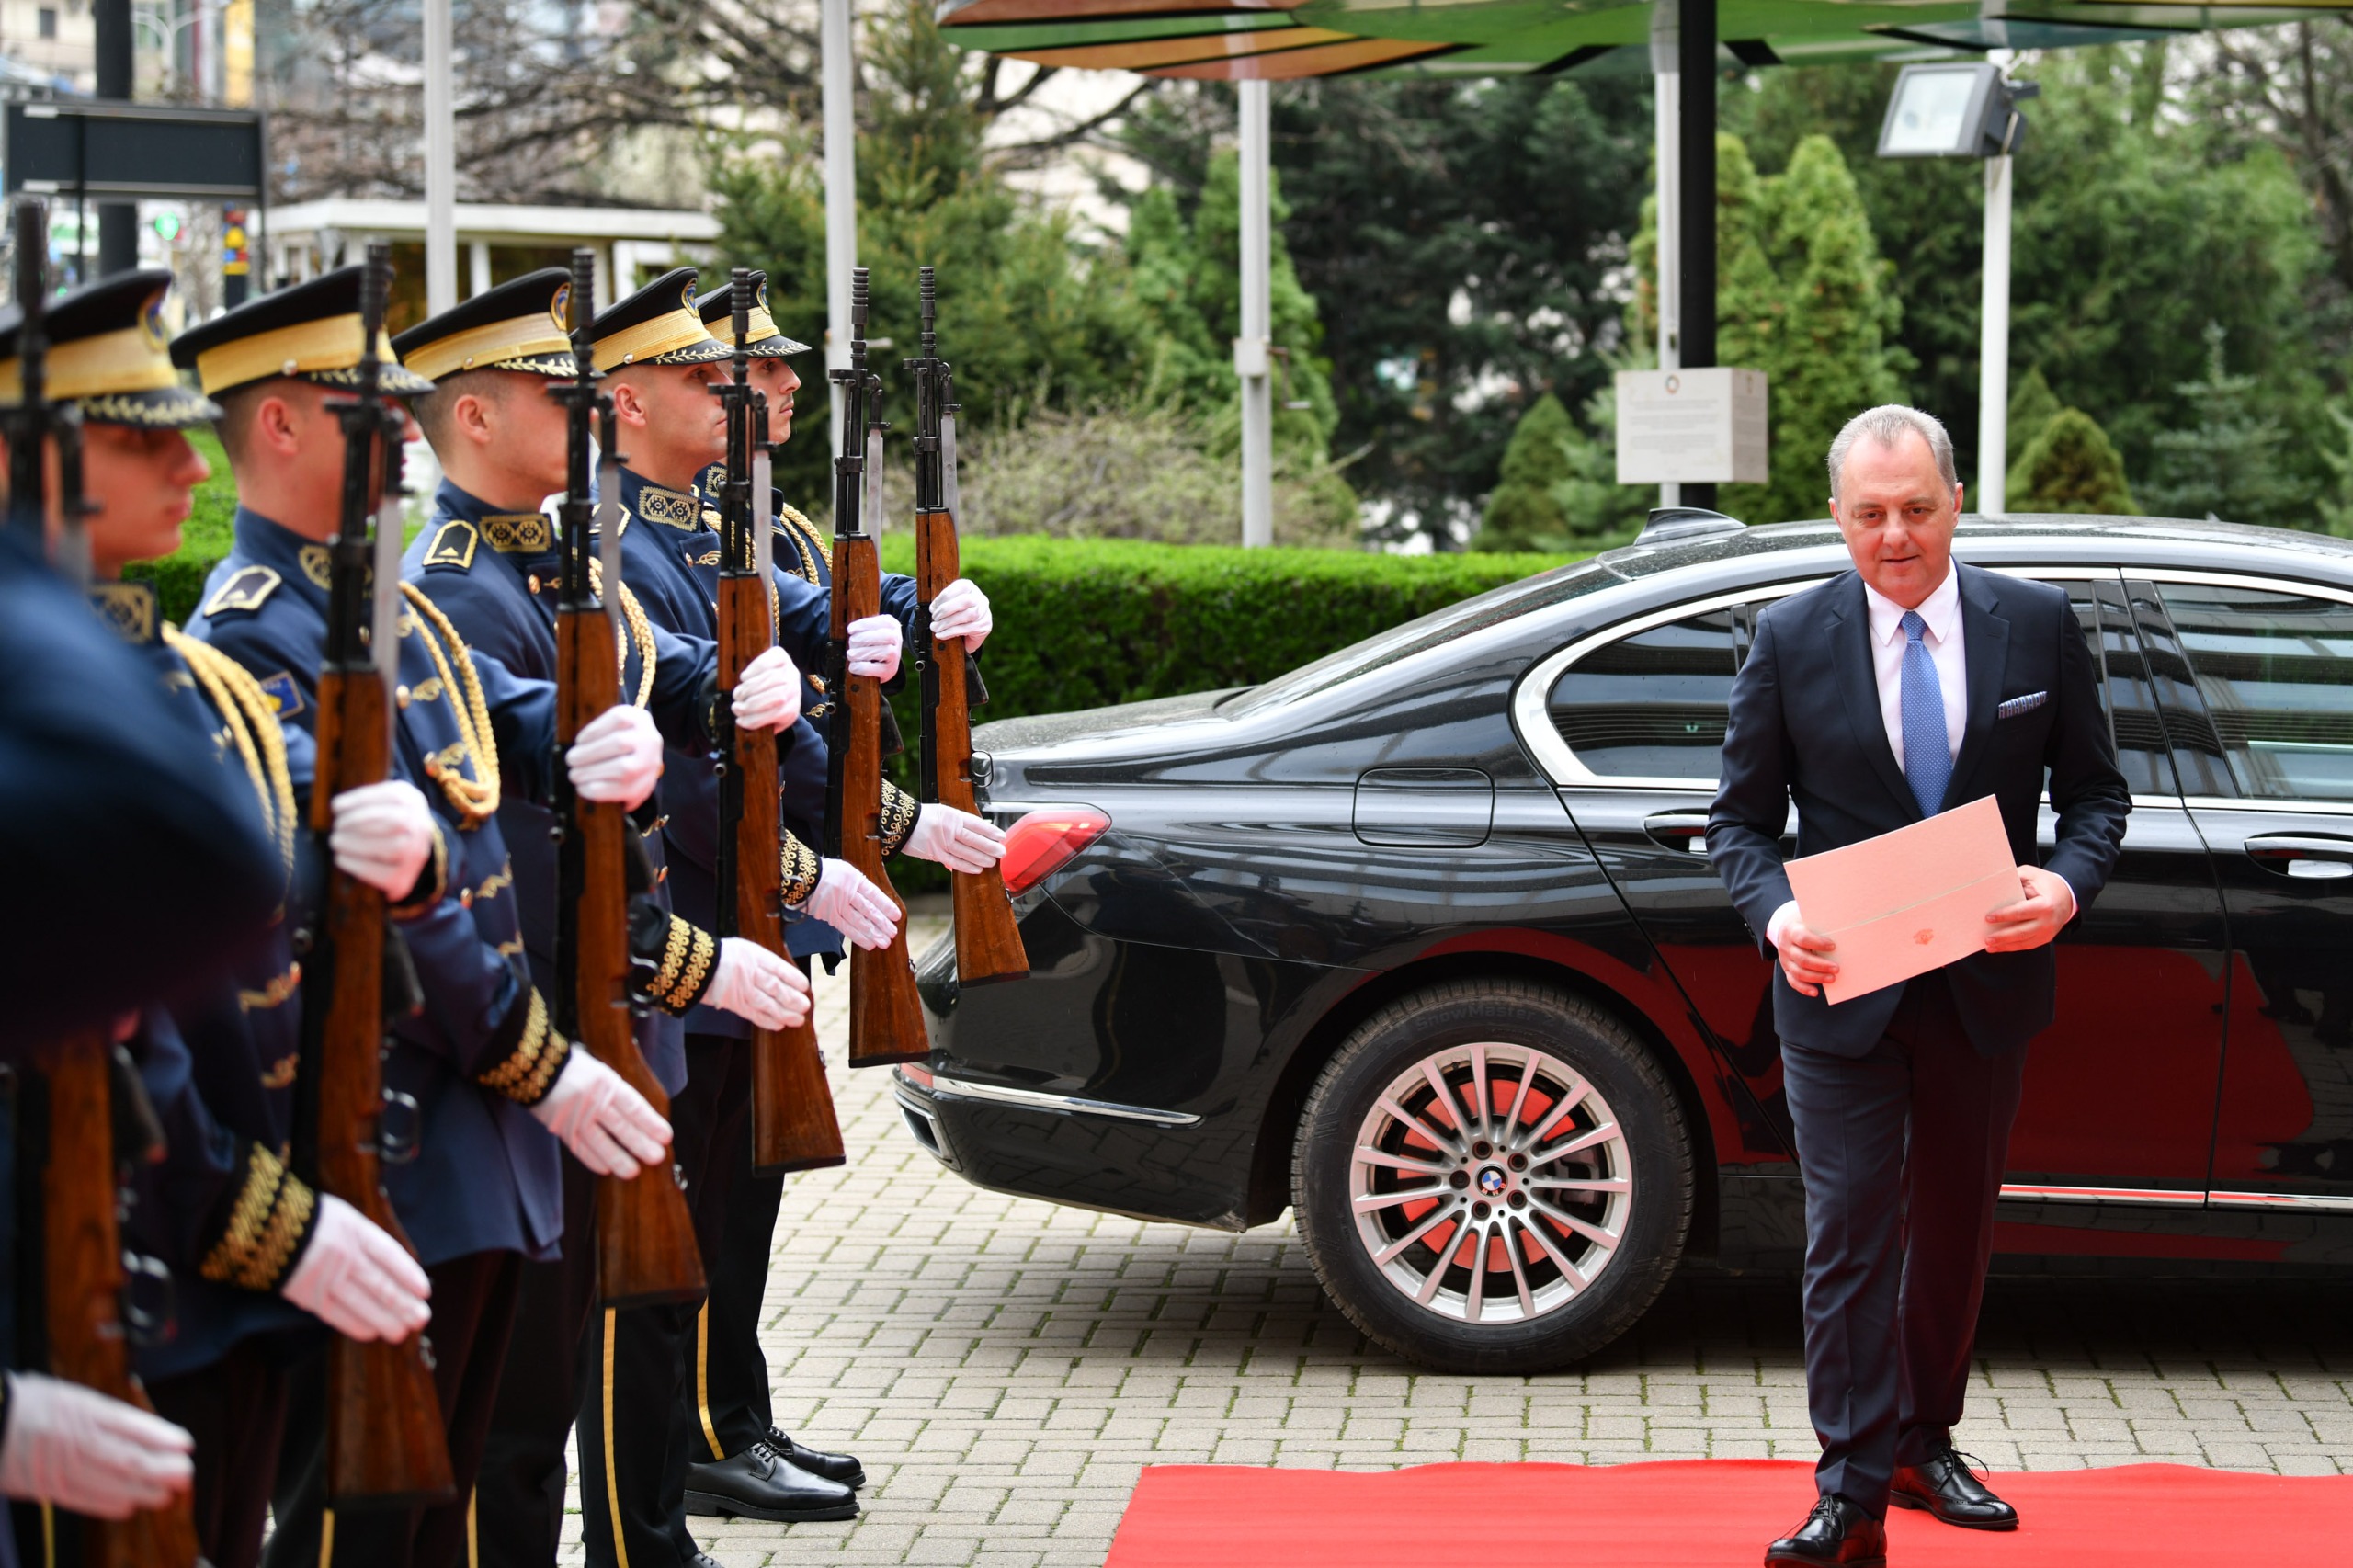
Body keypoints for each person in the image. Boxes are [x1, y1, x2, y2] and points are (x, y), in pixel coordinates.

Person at [169, 266, 684, 1568]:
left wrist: (591, 737)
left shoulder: (386, 611)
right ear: (279, 424)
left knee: (452, 1490)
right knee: (362, 1515)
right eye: (367, 413)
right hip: (393, 1126)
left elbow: (498, 733)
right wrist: (539, 1057)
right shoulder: (247, 642)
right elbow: (369, 902)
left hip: (476, 1136)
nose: (403, 437)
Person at [0, 265, 448, 1568]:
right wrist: (261, 1212)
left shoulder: (178, 669)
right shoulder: (164, 660)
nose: (191, 469)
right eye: (141, 437)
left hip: (211, 1234)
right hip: (111, 1241)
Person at [386, 269, 816, 1568]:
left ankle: (654, 1538)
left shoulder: (560, 556)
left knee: (593, 1333)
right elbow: (526, 860)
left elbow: (666, 679)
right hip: (540, 1040)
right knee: (510, 1416)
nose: (584, 411)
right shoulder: (458, 586)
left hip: (611, 1020)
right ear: (472, 417)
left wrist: (752, 681)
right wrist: (703, 957)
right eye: (554, 392)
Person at [1706, 405, 2130, 1567]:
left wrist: (2065, 887)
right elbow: (1736, 823)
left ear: (1955, 504)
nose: (1894, 535)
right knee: (1849, 1233)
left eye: (1915, 509)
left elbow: (2098, 799)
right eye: (1868, 514)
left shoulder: (2034, 627)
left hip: (1985, 986)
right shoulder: (1789, 637)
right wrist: (1779, 915)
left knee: (1954, 1230)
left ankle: (1921, 1442)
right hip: (1841, 987)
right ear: (1838, 518)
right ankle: (1848, 1490)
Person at [675, 269, 1001, 1526]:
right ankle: (705, 1429)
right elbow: (717, 766)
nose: (787, 385)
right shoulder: (676, 534)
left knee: (749, 1191)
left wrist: (937, 609)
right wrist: (869, 847)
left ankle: (737, 1409)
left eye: (786, 369)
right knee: (708, 1193)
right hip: (713, 910)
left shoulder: (784, 530)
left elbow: (841, 624)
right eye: (760, 371)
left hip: (785, 907)